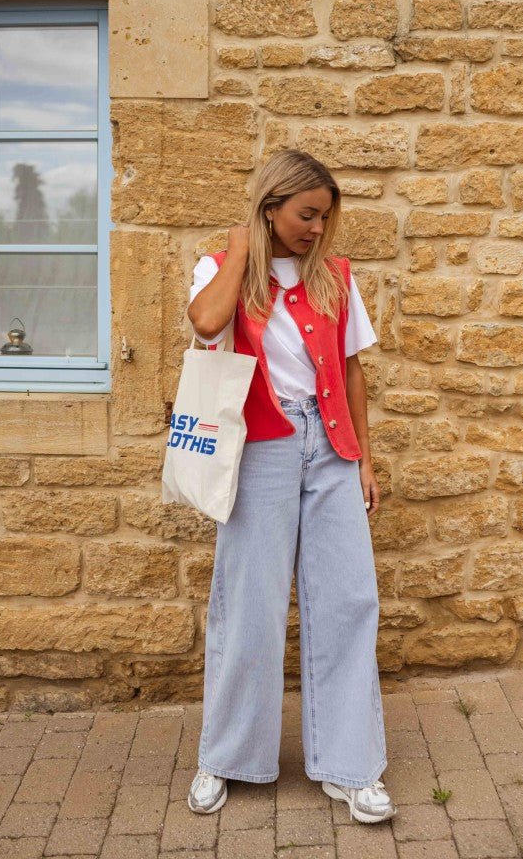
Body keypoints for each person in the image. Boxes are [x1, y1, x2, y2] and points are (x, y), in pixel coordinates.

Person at [185, 149, 396, 824]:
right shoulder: (221, 268)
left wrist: (363, 457)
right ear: (271, 205)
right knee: (248, 604)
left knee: (349, 601)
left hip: (330, 449)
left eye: (324, 218)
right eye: (306, 214)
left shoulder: (334, 276)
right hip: (261, 450)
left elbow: (353, 369)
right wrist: (242, 249)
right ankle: (225, 758)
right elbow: (206, 323)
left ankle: (351, 767)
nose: (316, 228)